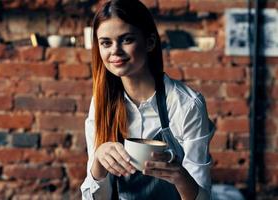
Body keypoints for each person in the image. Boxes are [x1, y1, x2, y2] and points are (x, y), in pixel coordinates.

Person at [80, 0, 215, 199]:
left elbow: (203, 197)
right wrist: (98, 164)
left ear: (150, 42)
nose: (115, 50)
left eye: (126, 40)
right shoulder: (101, 103)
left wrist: (179, 176)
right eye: (106, 43)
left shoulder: (186, 105)